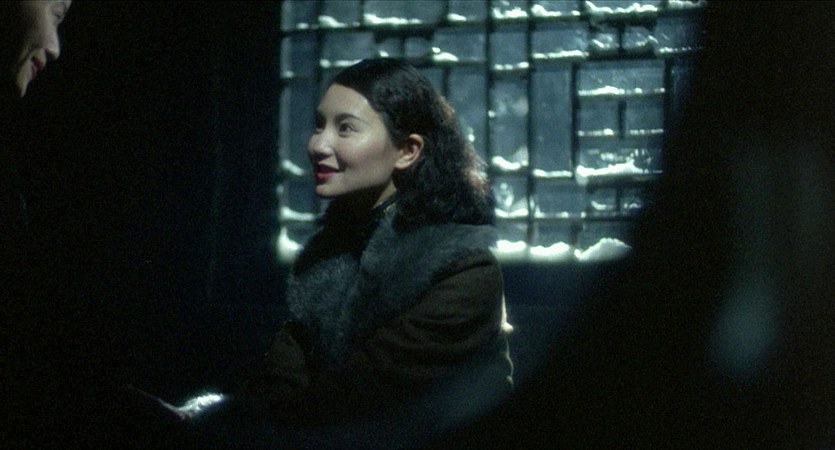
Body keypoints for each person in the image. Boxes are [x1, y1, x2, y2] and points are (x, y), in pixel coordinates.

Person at [139, 57, 514, 448]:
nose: (317, 145)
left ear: (408, 150)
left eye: (345, 128)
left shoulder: (463, 269)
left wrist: (213, 421)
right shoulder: (326, 256)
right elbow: (281, 385)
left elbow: (355, 396)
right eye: (319, 124)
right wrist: (204, 417)